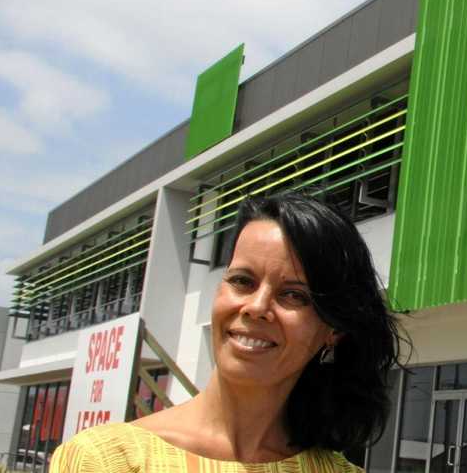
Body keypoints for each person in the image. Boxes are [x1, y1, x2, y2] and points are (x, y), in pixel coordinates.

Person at [51, 192, 400, 472]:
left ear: (333, 329)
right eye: (242, 281)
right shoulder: (104, 460)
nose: (256, 307)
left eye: (293, 295)